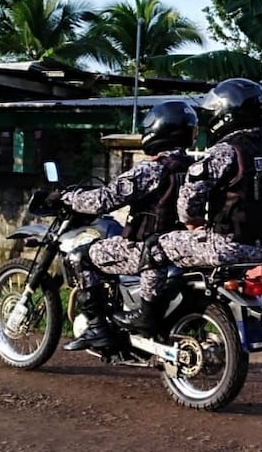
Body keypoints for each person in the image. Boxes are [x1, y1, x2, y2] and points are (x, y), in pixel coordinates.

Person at [130, 78, 262, 328]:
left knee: (155, 247)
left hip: (226, 244)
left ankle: (146, 316)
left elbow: (189, 200)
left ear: (228, 111)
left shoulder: (225, 151)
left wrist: (194, 223)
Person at [59, 99, 198, 351]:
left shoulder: (151, 170)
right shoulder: (195, 168)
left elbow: (103, 200)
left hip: (144, 248)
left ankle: (97, 329)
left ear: (158, 131)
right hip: (181, 249)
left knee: (81, 257)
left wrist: (66, 197)